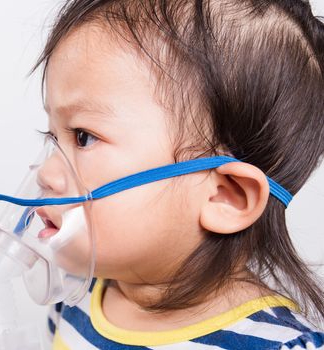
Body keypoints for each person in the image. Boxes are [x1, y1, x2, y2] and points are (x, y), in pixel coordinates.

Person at [29, 0, 324, 349]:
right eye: (53, 136)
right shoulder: (75, 297)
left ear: (225, 195)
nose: (46, 173)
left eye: (84, 137)